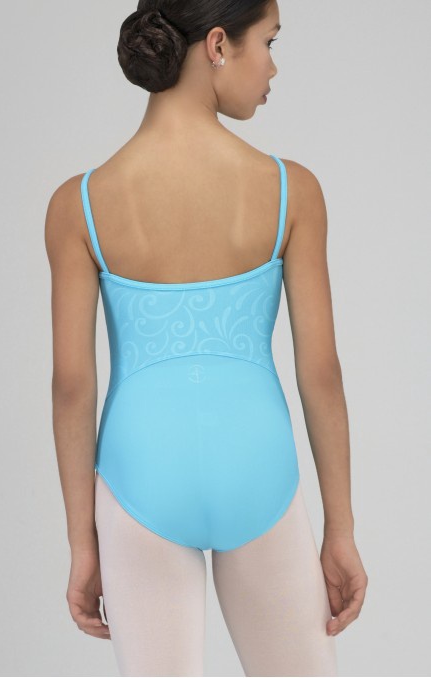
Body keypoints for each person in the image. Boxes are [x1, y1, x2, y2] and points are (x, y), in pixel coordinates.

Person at [45, 1, 368, 675]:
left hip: (139, 480)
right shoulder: (292, 191)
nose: (273, 67)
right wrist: (340, 529)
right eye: (270, 42)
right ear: (218, 44)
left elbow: (73, 386)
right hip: (259, 473)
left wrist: (83, 543)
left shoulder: (80, 204)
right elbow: (322, 373)